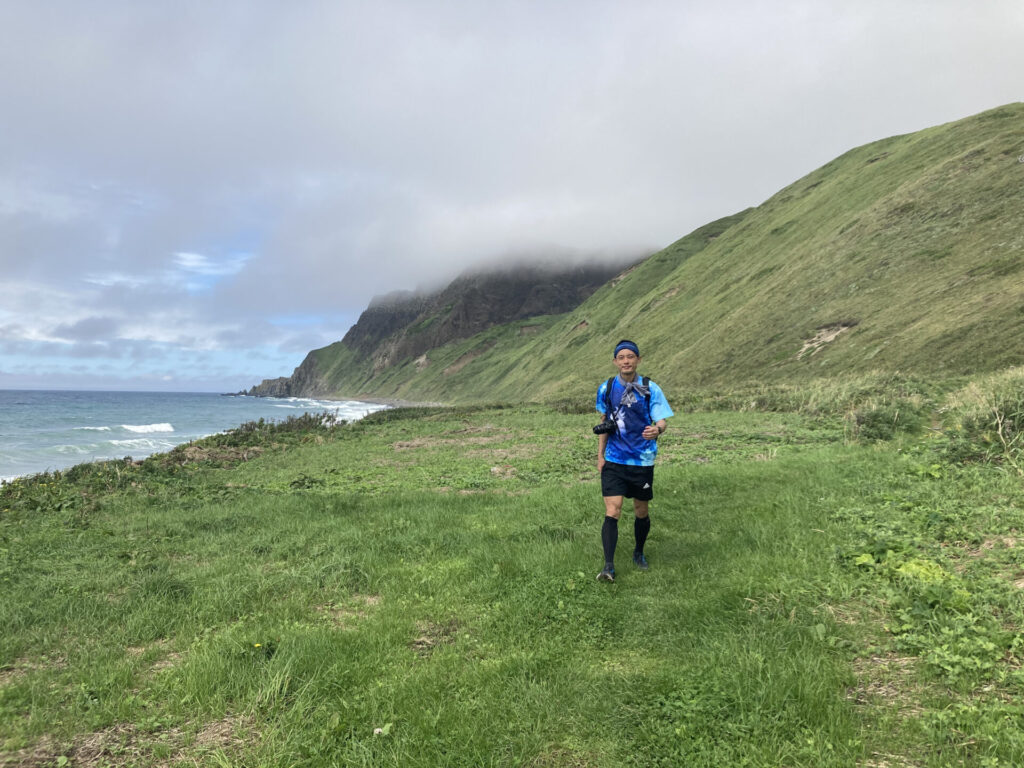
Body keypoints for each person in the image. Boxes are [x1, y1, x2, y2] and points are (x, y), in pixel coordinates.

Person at [595, 339, 674, 582]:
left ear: (638, 360)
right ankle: (608, 567)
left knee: (641, 511)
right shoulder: (606, 388)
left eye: (631, 356)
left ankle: (638, 552)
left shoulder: (651, 388)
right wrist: (600, 456)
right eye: (622, 357)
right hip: (614, 459)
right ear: (615, 361)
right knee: (613, 510)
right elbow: (604, 422)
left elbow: (662, 420)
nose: (626, 360)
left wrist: (657, 430)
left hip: (642, 461)